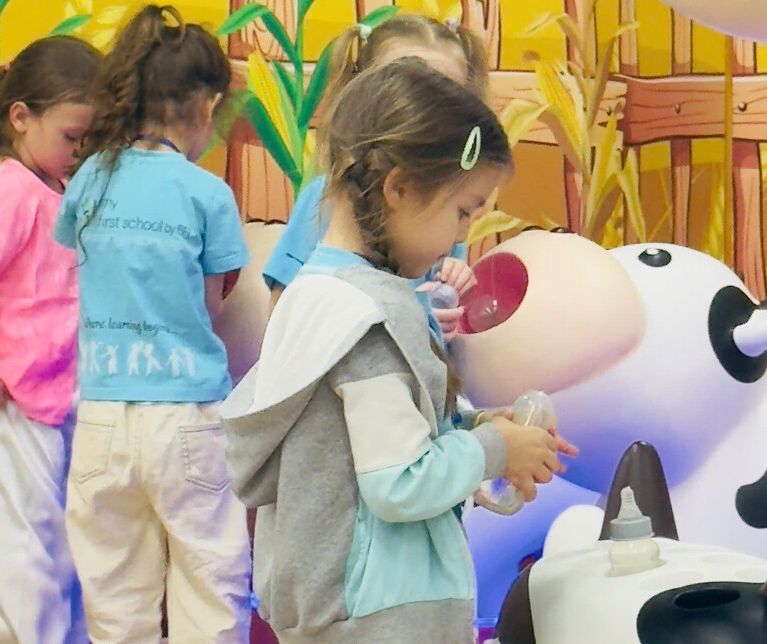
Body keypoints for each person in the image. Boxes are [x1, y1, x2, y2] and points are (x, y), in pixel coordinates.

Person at [221, 58, 577, 643]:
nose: (461, 235)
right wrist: (494, 449)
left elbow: (366, 434)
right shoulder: (372, 316)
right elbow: (399, 481)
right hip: (384, 614)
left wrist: (475, 426)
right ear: (399, 188)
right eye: (462, 211)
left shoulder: (317, 290)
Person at [53, 6, 251, 643]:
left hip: (102, 416)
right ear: (207, 104)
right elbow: (210, 304)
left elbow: (76, 269)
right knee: (210, 587)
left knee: (114, 600)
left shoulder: (90, 178)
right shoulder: (207, 193)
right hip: (185, 416)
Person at [0, 36, 101, 643]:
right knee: (25, 546)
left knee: (61, 542)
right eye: (71, 136)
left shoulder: (56, 190)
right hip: (14, 396)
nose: (80, 151)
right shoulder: (11, 189)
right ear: (22, 117)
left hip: (55, 397)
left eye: (89, 140)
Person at [263, 14, 491, 338]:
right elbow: (280, 320)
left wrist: (447, 309)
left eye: (448, 101)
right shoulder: (327, 197)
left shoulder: (449, 207)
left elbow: (438, 317)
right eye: (410, 92)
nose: (429, 116)